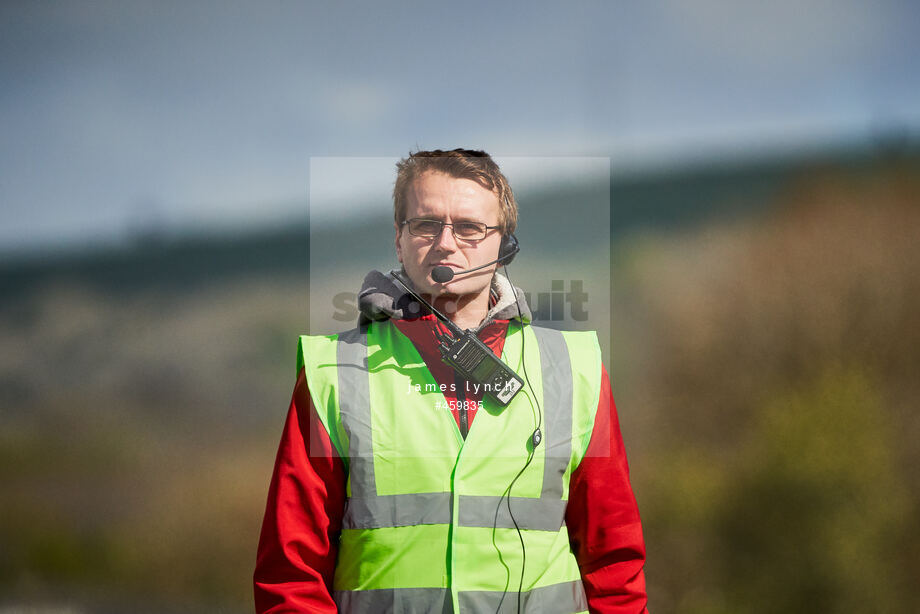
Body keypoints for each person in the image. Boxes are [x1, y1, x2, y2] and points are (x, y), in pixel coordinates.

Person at [254, 149, 648, 613]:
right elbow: (291, 570)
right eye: (425, 225)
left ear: (504, 246)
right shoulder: (332, 371)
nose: (445, 243)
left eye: (468, 227)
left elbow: (614, 559)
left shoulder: (574, 367)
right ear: (399, 241)